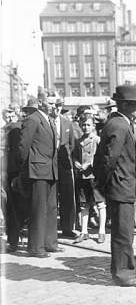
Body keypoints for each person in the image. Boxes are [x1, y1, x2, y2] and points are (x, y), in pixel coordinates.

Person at [94, 85, 136, 287]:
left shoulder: (119, 123)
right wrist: (105, 184)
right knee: (123, 232)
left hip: (122, 184)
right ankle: (123, 273)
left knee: (125, 231)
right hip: (120, 185)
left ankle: (126, 267)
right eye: (135, 105)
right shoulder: (119, 125)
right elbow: (109, 159)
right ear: (124, 105)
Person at [17, 93, 62, 257]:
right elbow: (23, 147)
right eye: (50, 103)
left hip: (50, 170)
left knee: (51, 208)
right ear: (41, 102)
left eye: (55, 103)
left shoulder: (49, 120)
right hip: (37, 171)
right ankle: (36, 247)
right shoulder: (33, 119)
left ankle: (50, 243)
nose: (53, 106)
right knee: (38, 209)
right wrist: (23, 170)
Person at [4, 98, 37, 253]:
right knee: (18, 207)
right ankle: (17, 240)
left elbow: (19, 152)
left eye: (12, 111)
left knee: (15, 208)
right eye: (8, 112)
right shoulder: (11, 127)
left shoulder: (15, 128)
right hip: (16, 172)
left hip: (16, 173)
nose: (9, 115)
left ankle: (14, 241)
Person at [72, 114, 106, 244]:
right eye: (83, 125)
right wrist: (75, 162)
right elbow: (74, 156)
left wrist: (91, 163)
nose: (85, 127)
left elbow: (102, 157)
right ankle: (84, 231)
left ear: (93, 126)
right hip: (82, 176)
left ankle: (101, 231)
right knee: (84, 204)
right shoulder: (78, 141)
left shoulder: (97, 140)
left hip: (95, 176)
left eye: (88, 125)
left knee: (100, 203)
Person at [49, 98, 77, 239]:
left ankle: (67, 228)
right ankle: (51, 229)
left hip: (65, 166)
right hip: (49, 166)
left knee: (67, 197)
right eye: (54, 106)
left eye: (59, 106)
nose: (56, 109)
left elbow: (71, 145)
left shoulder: (67, 123)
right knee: (52, 198)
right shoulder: (46, 122)